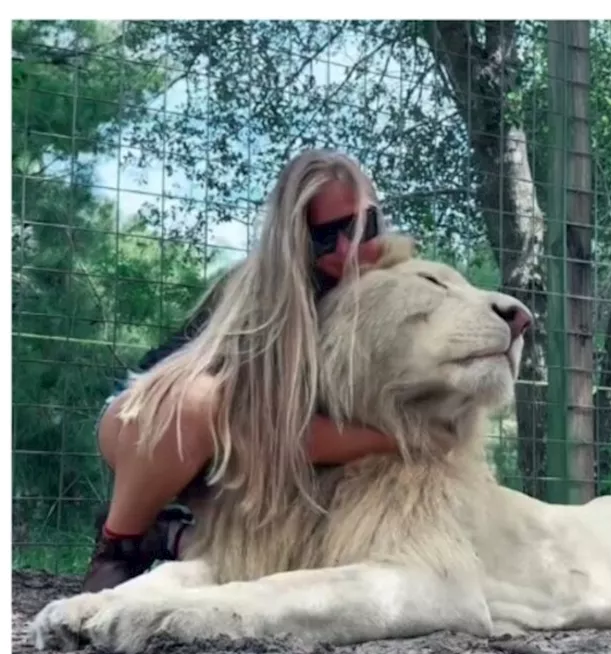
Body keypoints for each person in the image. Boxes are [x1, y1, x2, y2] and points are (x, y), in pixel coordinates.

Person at [82, 148, 401, 592]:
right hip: (148, 418)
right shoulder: (262, 298)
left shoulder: (401, 286)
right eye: (325, 237)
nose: (348, 250)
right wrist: (397, 438)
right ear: (295, 237)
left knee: (274, 565)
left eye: (363, 227)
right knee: (196, 401)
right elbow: (274, 432)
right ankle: (118, 544)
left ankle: (173, 535)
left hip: (253, 453)